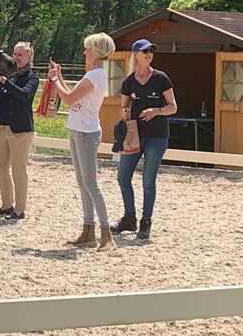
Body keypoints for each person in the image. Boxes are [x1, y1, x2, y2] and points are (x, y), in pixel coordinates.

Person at [48, 33, 117, 252]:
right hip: (79, 130)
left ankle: (106, 233)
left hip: (86, 133)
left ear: (96, 51)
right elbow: (73, 95)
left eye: (87, 49)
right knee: (83, 183)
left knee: (91, 185)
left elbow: (68, 99)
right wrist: (59, 77)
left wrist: (54, 81)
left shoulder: (95, 76)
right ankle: (88, 230)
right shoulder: (93, 75)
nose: (84, 52)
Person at [111, 38, 177, 240]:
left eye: (151, 50)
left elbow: (173, 107)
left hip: (157, 137)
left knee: (148, 180)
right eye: (144, 50)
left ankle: (145, 222)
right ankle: (129, 217)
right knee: (123, 177)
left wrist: (156, 111)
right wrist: (125, 112)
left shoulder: (161, 78)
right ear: (136, 55)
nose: (149, 53)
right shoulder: (128, 81)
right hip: (134, 136)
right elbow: (124, 107)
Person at [0, 42, 39, 221]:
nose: (16, 57)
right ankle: (7, 205)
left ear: (29, 58)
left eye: (21, 55)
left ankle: (20, 210)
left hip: (20, 130)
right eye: (15, 53)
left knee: (19, 171)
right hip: (2, 127)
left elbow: (23, 95)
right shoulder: (7, 74)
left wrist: (5, 82)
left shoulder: (31, 78)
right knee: (0, 167)